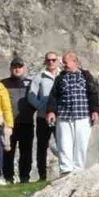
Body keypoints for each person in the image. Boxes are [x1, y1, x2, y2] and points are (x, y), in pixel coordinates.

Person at [45, 52, 99, 177]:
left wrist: (95, 111)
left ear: (75, 62)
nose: (63, 64)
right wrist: (51, 111)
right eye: (63, 62)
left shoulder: (86, 76)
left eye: (66, 62)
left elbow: (93, 94)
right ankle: (65, 171)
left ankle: (78, 171)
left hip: (82, 116)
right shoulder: (60, 78)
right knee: (64, 144)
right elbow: (53, 96)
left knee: (81, 144)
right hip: (64, 117)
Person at [26, 52, 61, 181]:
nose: (51, 62)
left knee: (62, 145)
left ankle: (65, 172)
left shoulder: (63, 75)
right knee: (42, 147)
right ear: (45, 61)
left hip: (60, 118)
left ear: (58, 61)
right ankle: (42, 176)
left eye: (53, 60)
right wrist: (41, 106)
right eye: (48, 60)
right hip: (42, 117)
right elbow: (31, 95)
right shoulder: (39, 77)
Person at [1, 57, 34, 184]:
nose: (17, 69)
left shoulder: (31, 83)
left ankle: (24, 177)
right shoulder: (3, 83)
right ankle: (8, 177)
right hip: (8, 124)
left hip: (26, 122)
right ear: (10, 69)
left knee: (26, 152)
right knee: (8, 151)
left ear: (24, 68)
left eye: (19, 67)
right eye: (14, 67)